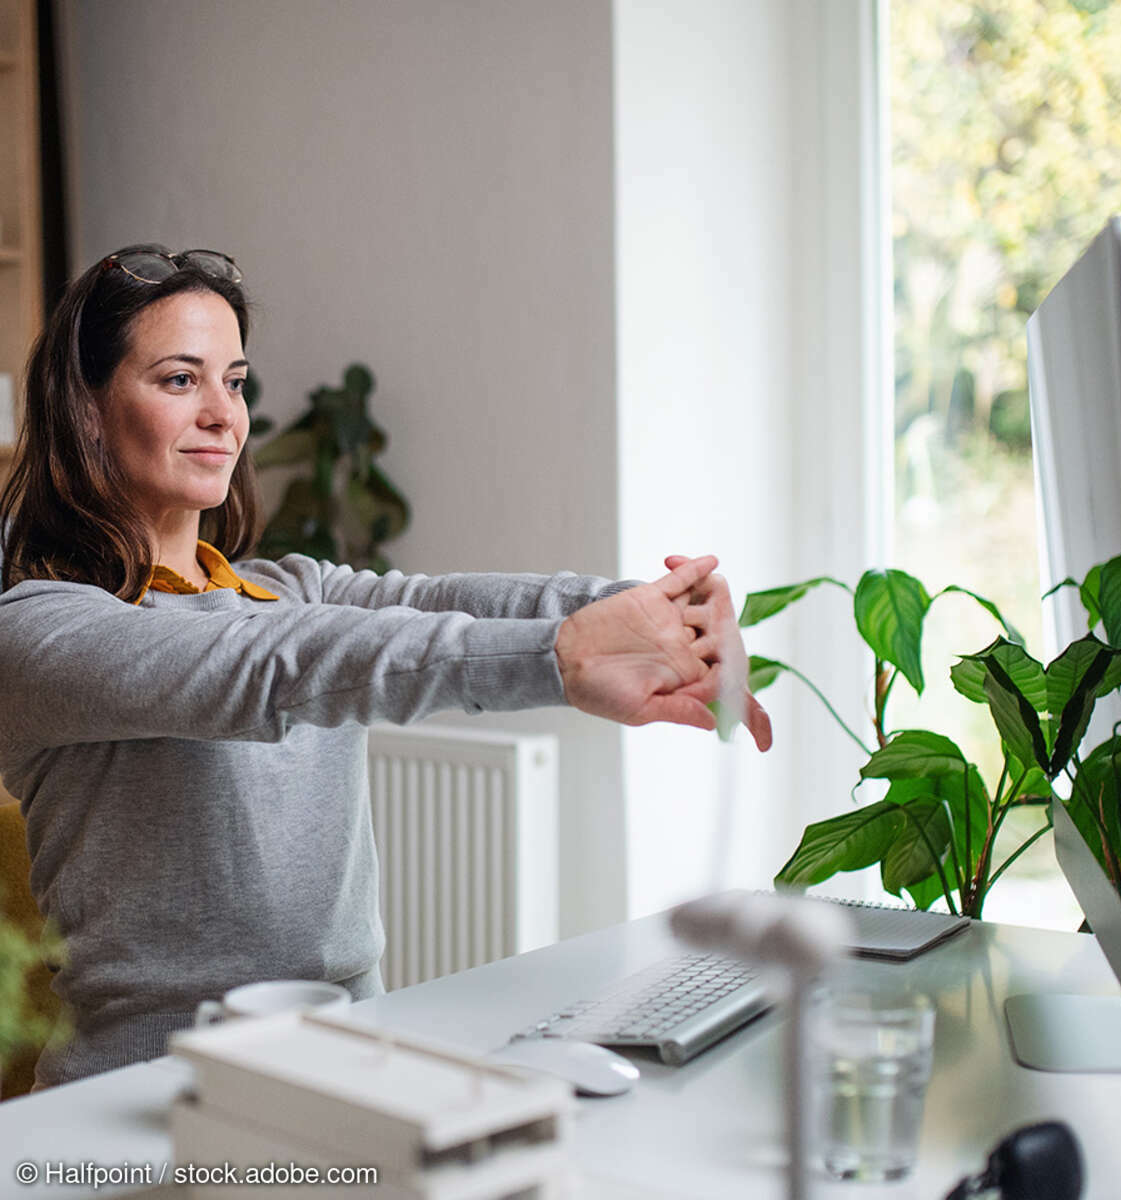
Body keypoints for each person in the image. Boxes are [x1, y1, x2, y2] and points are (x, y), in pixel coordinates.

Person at [0, 245, 771, 1089]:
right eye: (180, 380)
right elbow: (271, 669)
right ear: (87, 411)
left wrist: (655, 607)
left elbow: (444, 601)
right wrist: (562, 658)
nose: (224, 414)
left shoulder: (283, 587)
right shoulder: (43, 630)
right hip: (143, 1090)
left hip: (351, 1055)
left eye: (236, 380)